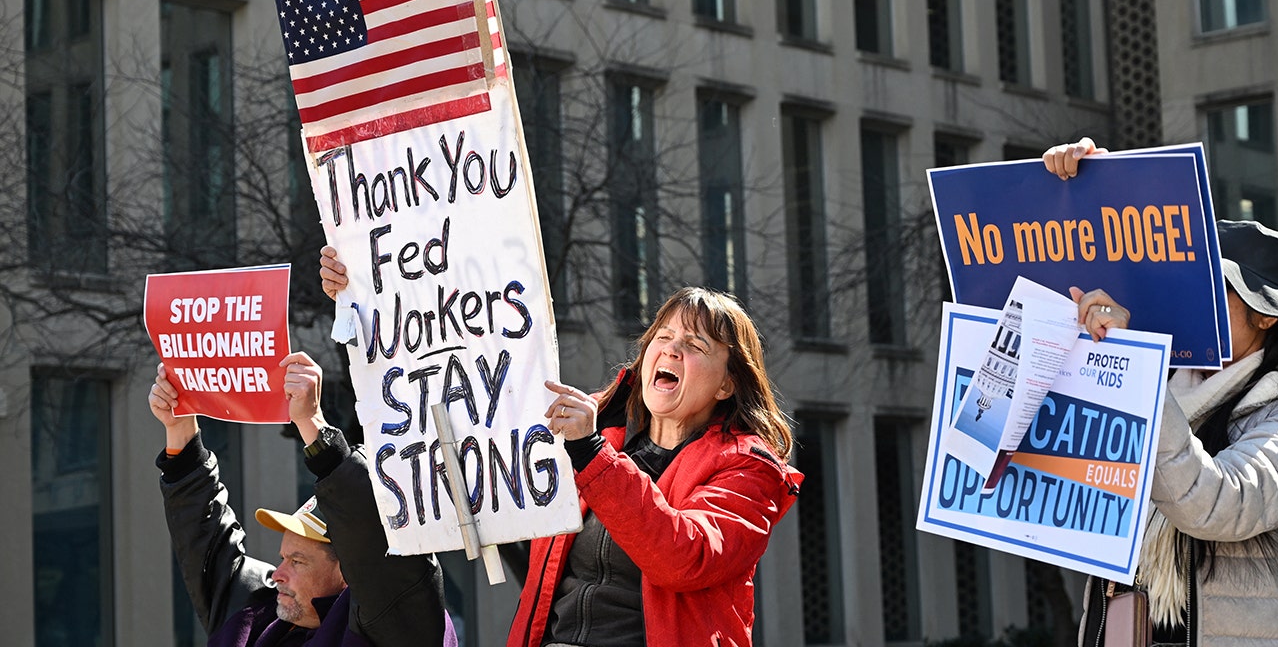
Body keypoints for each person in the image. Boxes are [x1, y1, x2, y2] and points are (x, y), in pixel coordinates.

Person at [319, 248, 803, 647]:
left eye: (696, 346)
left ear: (727, 386)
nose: (671, 350)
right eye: (664, 335)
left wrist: (593, 454)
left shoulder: (749, 470)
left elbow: (685, 556)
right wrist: (365, 295)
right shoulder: (596, 436)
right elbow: (466, 397)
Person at [1044, 140, 1278, 646]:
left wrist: (1133, 370)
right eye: (1189, 284)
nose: (1195, 301)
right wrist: (1093, 192)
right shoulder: (1161, 387)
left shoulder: (1271, 414)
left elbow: (1216, 502)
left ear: (1266, 315)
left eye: (1217, 290)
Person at [150, 351, 457, 647]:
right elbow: (208, 548)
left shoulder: (396, 623)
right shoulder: (259, 619)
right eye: (284, 558)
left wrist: (313, 424)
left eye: (298, 561)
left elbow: (375, 543)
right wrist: (180, 435)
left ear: (348, 571)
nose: (278, 575)